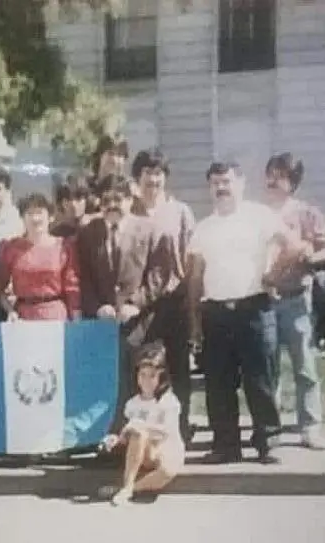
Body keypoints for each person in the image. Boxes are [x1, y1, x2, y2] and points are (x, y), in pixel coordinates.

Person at [187, 161, 305, 465]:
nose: (221, 188)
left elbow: (294, 247)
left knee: (260, 379)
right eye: (215, 183)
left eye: (226, 181)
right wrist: (195, 321)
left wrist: (273, 276)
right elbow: (196, 277)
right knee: (219, 382)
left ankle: (267, 443)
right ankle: (226, 445)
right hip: (216, 313)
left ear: (240, 183)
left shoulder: (258, 216)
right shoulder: (204, 228)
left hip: (254, 308)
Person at [77, 174, 169, 433]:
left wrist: (136, 304)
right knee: (108, 383)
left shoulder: (151, 229)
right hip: (103, 324)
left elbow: (159, 274)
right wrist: (97, 306)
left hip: (142, 323)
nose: (112, 205)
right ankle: (112, 440)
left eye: (118, 199)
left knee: (141, 382)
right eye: (106, 200)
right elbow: (82, 277)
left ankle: (141, 440)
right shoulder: (88, 234)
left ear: (130, 200)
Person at [264, 152, 325, 450]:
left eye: (280, 175)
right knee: (268, 367)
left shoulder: (306, 213)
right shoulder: (257, 212)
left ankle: (310, 425)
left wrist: (311, 255)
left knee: (303, 364)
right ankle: (271, 425)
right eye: (270, 173)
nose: (272, 180)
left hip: (296, 299)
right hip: (264, 299)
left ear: (292, 182)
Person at [131, 148, 196, 443]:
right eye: (148, 173)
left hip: (173, 301)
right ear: (138, 177)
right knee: (144, 365)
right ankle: (142, 429)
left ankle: (179, 427)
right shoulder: (130, 209)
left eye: (158, 174)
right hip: (138, 305)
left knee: (177, 366)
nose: (153, 180)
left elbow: (189, 258)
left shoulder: (180, 211)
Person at [99, 342, 184, 506]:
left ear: (162, 377)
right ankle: (128, 485)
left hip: (167, 448)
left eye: (152, 376)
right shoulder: (133, 403)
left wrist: (140, 426)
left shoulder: (168, 401)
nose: (146, 380)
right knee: (138, 432)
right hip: (144, 451)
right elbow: (128, 435)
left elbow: (167, 432)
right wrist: (116, 439)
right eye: (142, 374)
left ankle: (129, 488)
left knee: (167, 471)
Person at [0, 192, 80, 321]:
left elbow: (72, 286)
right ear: (22, 218)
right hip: (23, 316)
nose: (35, 218)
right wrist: (10, 311)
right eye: (29, 213)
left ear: (50, 217)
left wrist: (76, 318)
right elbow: (0, 290)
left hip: (56, 315)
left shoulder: (64, 247)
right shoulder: (11, 248)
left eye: (39, 212)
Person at [85, 135, 129, 215]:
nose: (115, 160)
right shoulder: (85, 187)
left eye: (120, 155)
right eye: (111, 153)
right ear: (99, 156)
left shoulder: (128, 189)